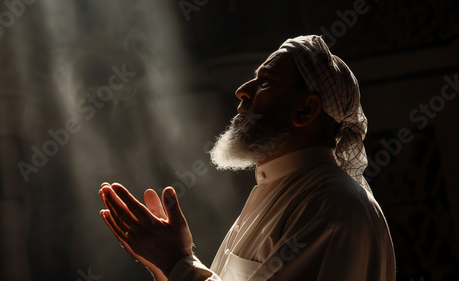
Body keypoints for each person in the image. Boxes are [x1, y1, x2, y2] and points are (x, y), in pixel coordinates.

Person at [98, 35, 396, 281]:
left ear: (305, 110)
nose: (242, 91)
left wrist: (176, 261)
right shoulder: (283, 191)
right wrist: (165, 266)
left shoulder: (332, 205)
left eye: (265, 82)